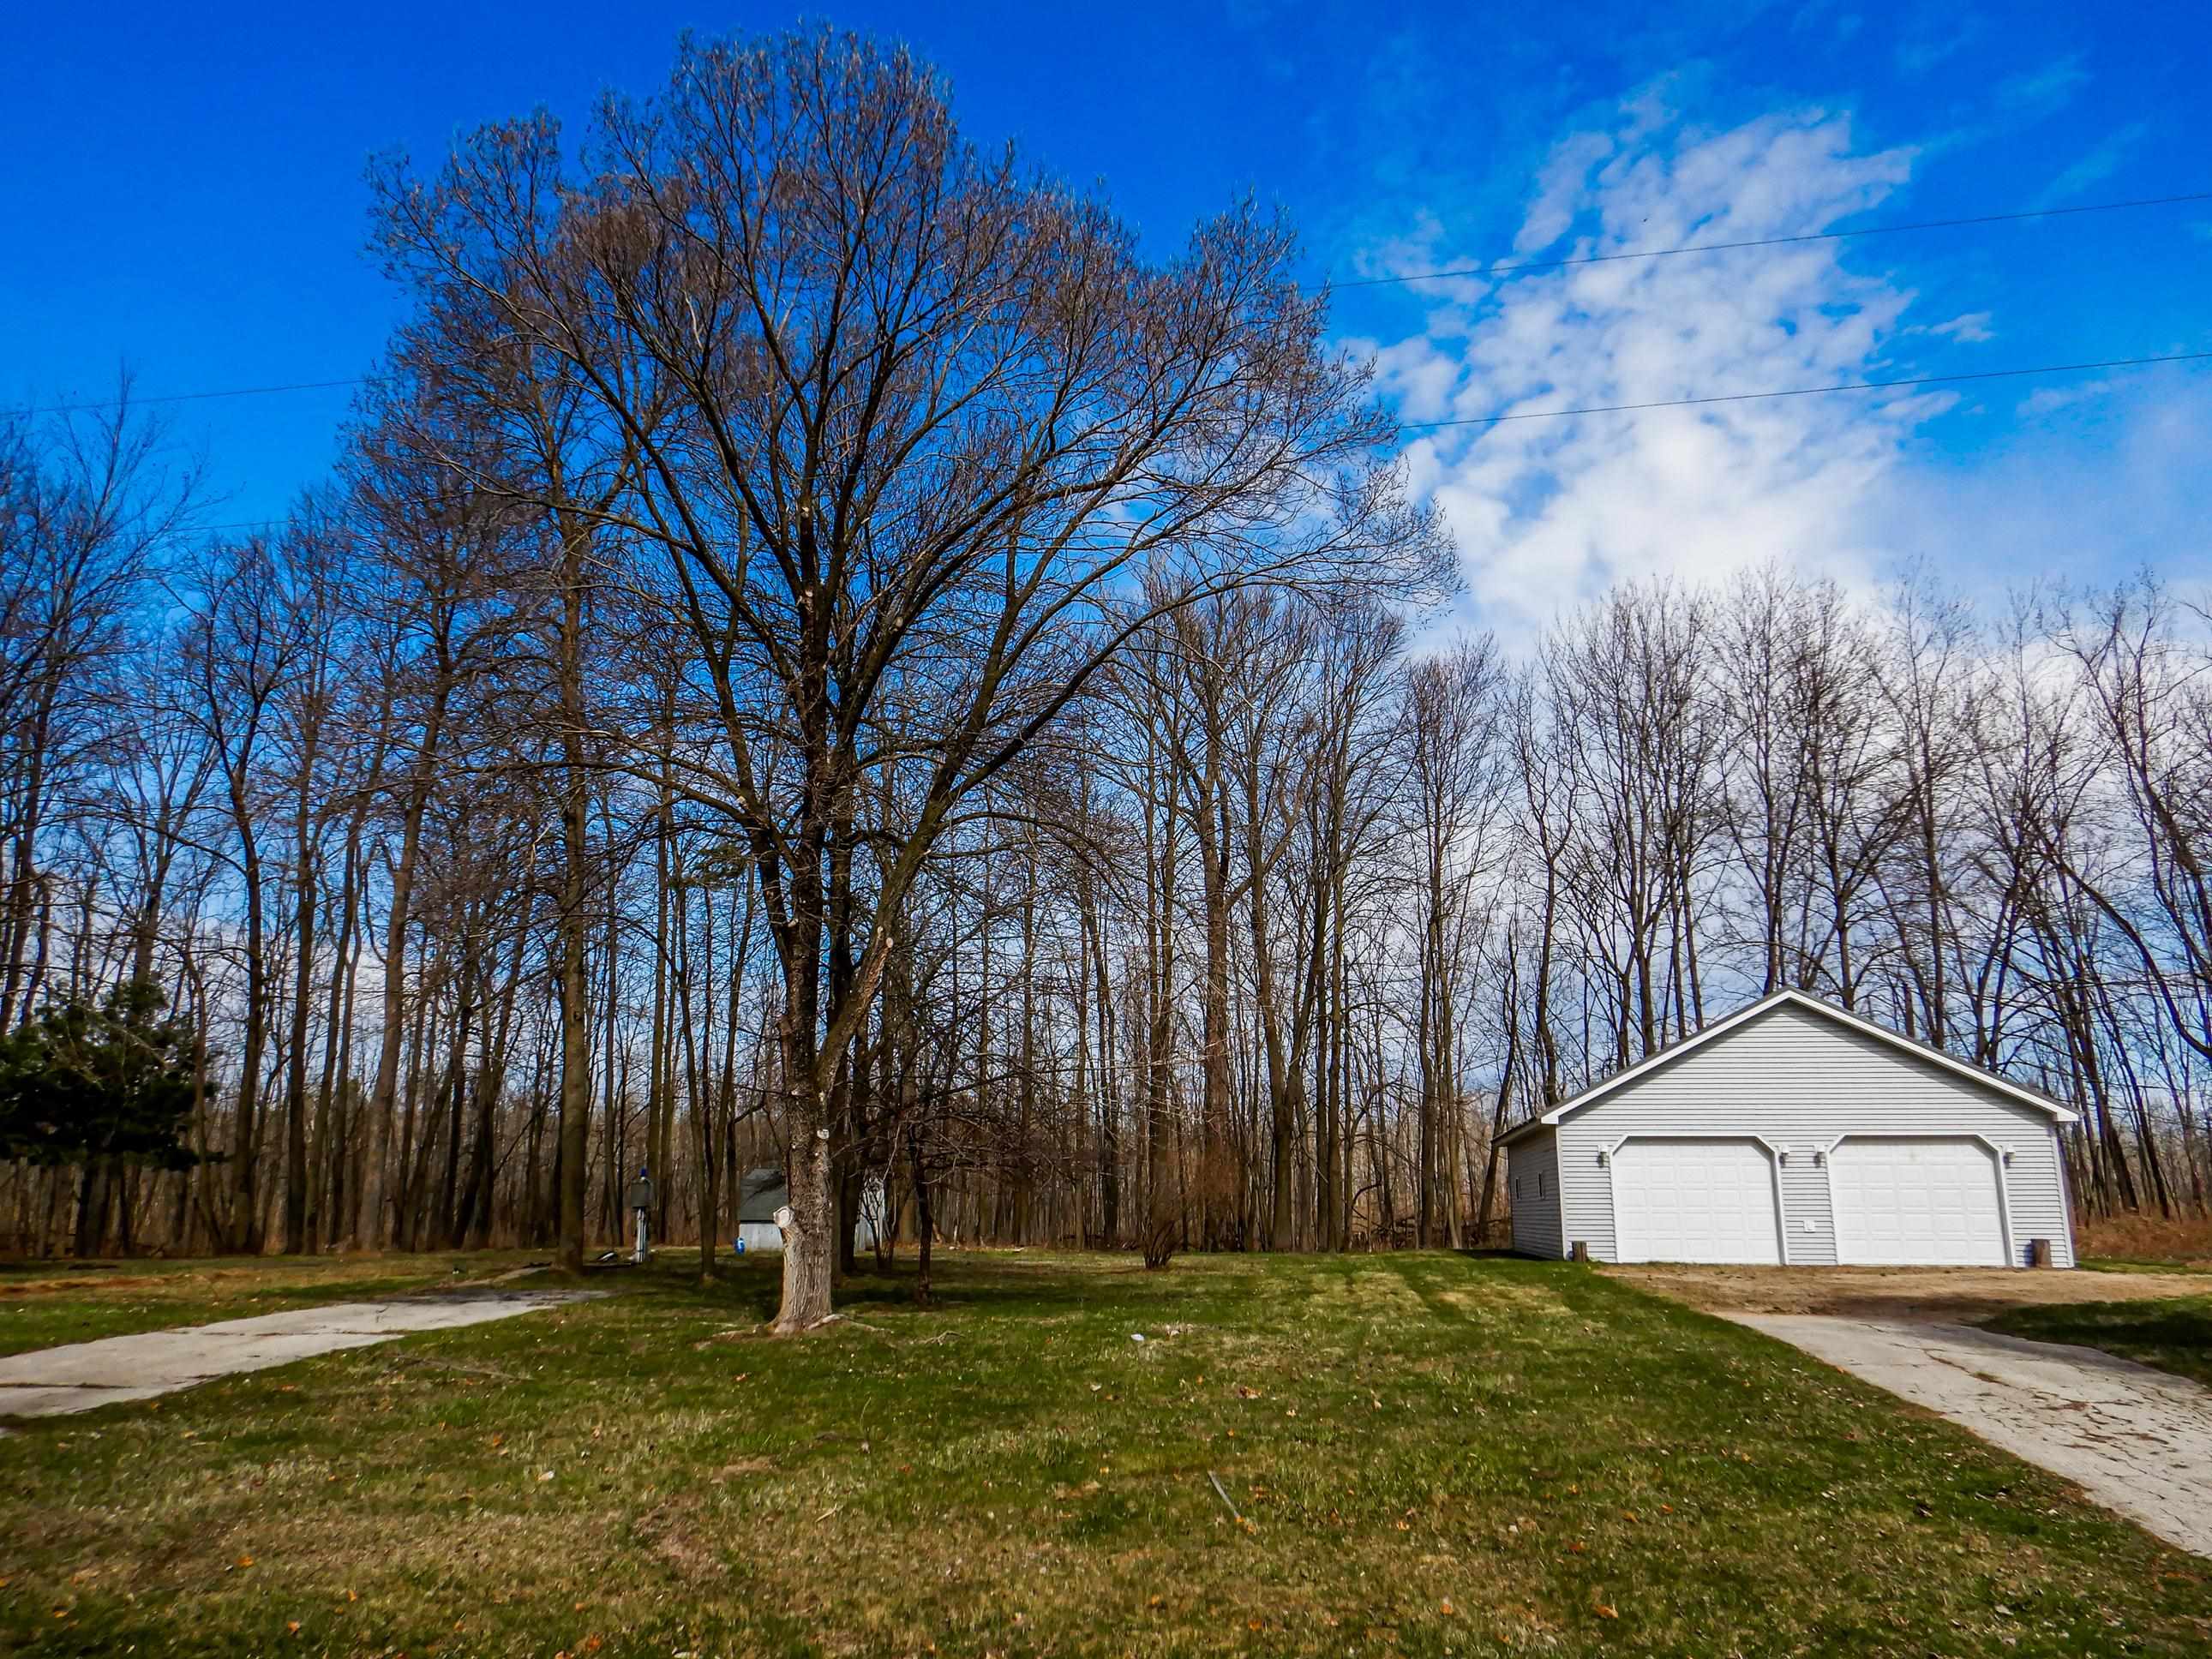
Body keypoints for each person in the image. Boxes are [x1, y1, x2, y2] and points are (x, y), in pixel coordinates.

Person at [624, 1164, 655, 1263]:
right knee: (641, 1232)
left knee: (644, 1232)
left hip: (644, 1210)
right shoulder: (648, 1184)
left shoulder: (646, 1184)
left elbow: (648, 1198)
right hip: (642, 1210)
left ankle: (641, 1253)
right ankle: (640, 1252)